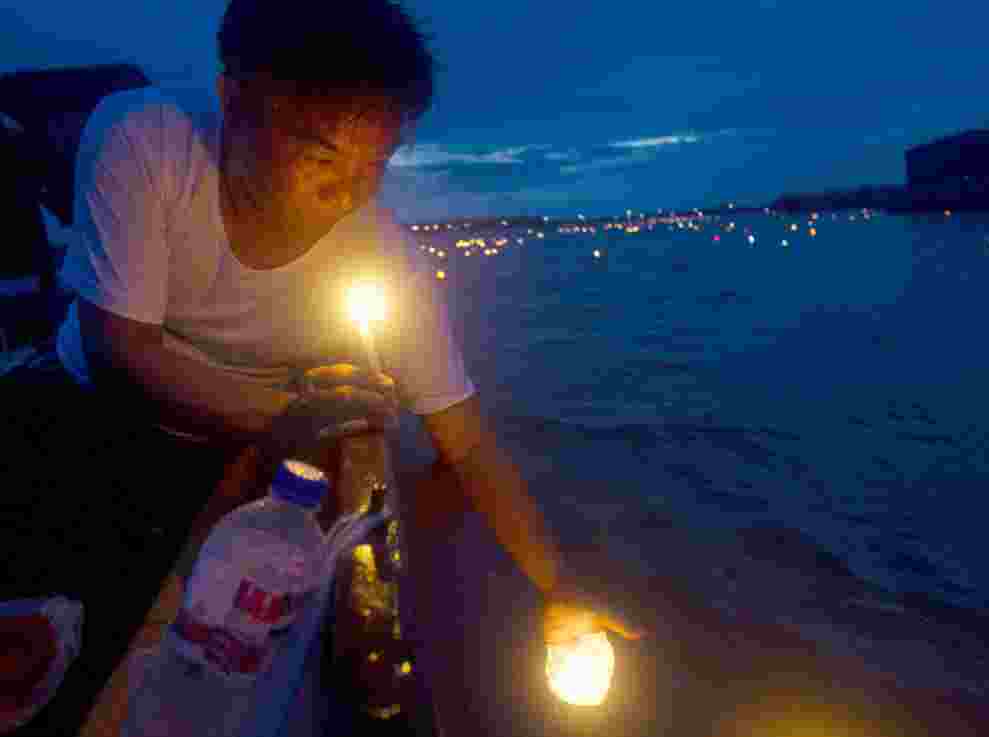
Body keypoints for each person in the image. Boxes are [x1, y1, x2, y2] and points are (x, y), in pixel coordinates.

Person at [1, 0, 646, 732]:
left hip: (235, 454)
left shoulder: (384, 256)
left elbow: (463, 439)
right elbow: (122, 350)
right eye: (321, 157)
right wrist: (296, 415)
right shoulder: (144, 139)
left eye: (375, 167)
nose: (349, 196)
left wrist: (556, 584)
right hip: (90, 411)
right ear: (233, 94)